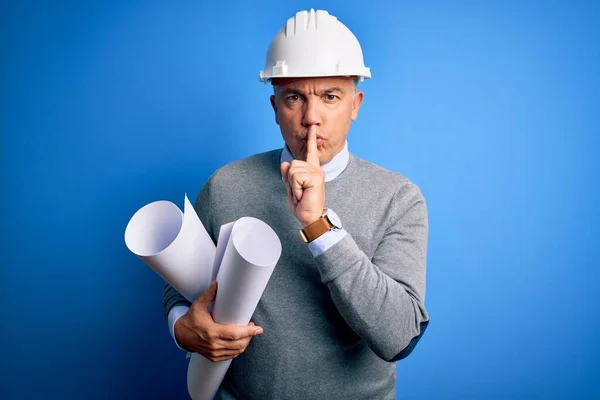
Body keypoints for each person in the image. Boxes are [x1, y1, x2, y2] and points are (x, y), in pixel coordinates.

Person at [162, 9, 429, 399]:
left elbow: (398, 336)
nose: (311, 118)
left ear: (355, 104)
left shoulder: (398, 199)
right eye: (294, 97)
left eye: (330, 97)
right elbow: (179, 289)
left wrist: (319, 226)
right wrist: (181, 328)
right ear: (274, 108)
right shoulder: (225, 186)